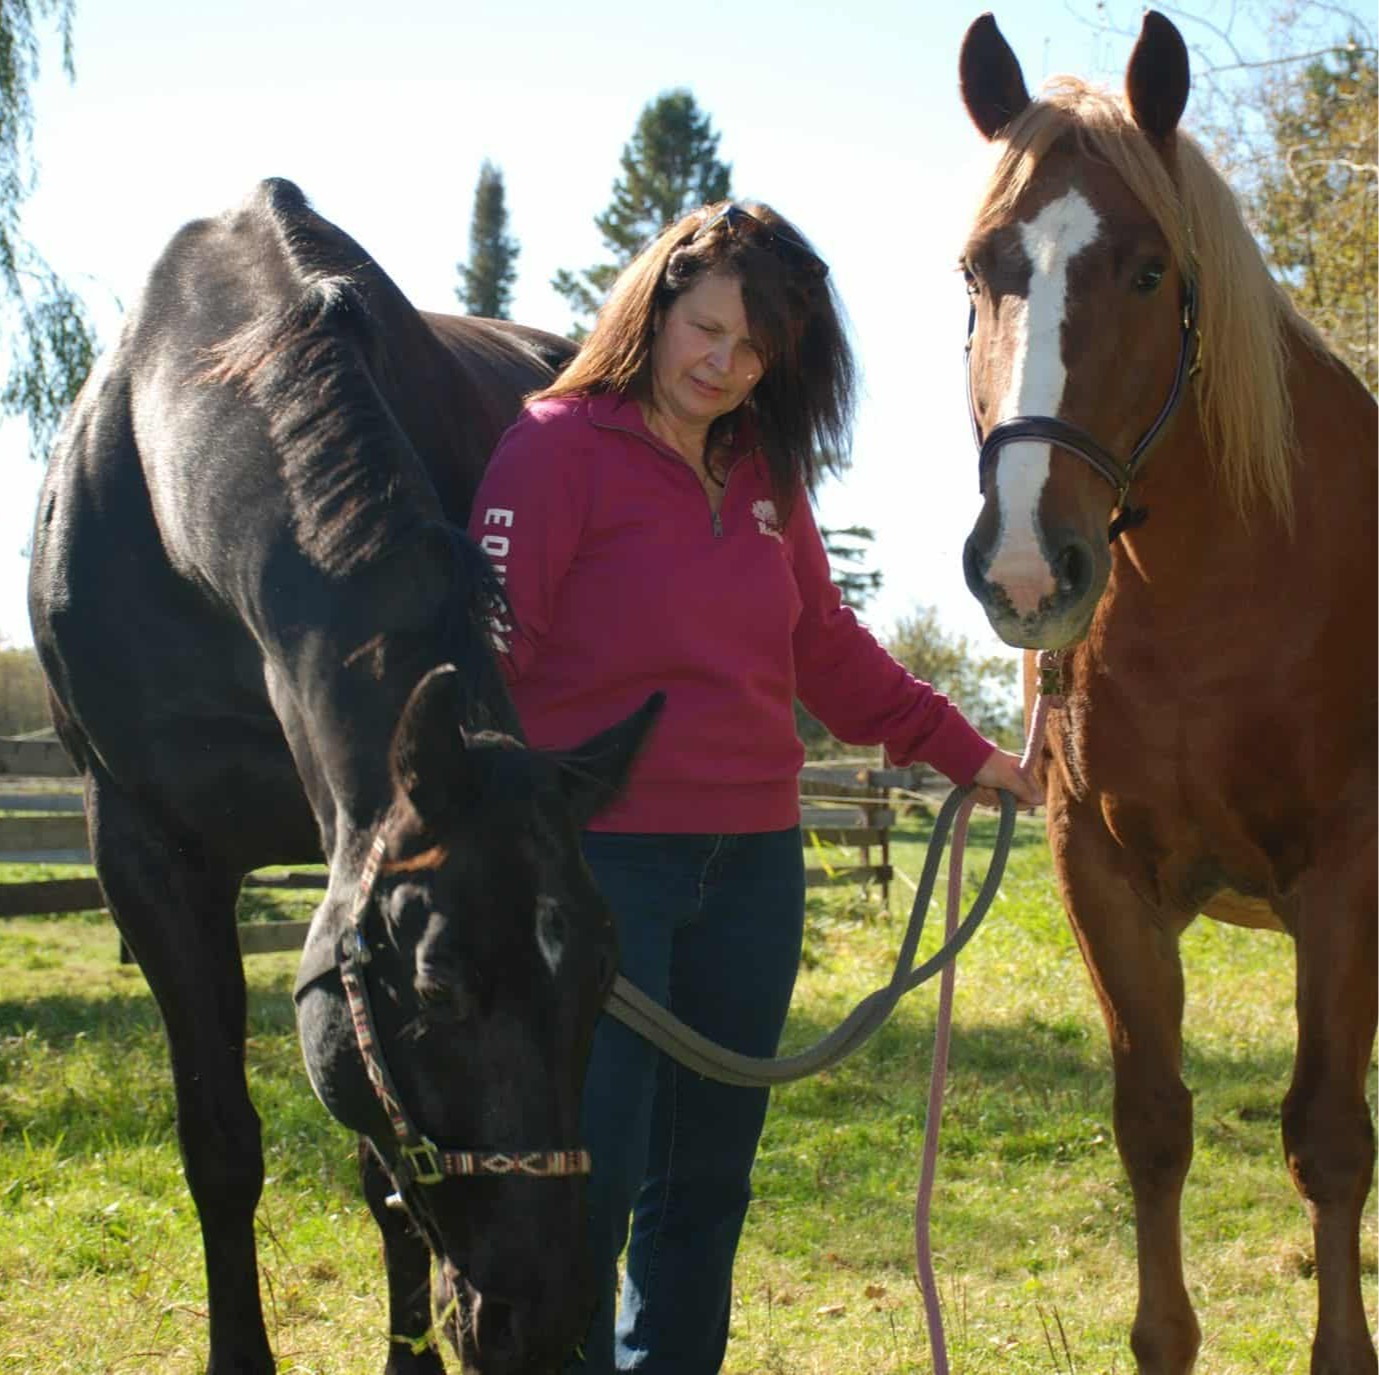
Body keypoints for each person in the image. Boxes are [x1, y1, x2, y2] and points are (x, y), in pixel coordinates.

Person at [467, 199, 1040, 1374]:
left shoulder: (765, 470)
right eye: (706, 330)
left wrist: (964, 749)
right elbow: (490, 664)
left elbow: (821, 647)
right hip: (598, 866)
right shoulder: (555, 445)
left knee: (706, 1182)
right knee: (597, 1175)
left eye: (752, 349)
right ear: (656, 307)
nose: (722, 365)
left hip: (751, 871)